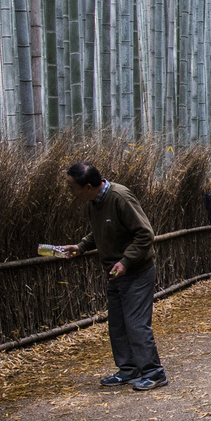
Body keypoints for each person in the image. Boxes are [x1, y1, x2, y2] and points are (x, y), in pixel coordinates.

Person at [54, 163, 168, 391]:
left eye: (71, 186)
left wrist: (125, 261)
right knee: (117, 325)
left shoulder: (119, 197)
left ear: (87, 186)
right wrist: (81, 246)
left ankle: (154, 373)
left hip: (136, 271)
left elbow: (145, 234)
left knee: (136, 324)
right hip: (115, 273)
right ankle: (128, 370)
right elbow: (101, 231)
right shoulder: (93, 202)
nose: (70, 192)